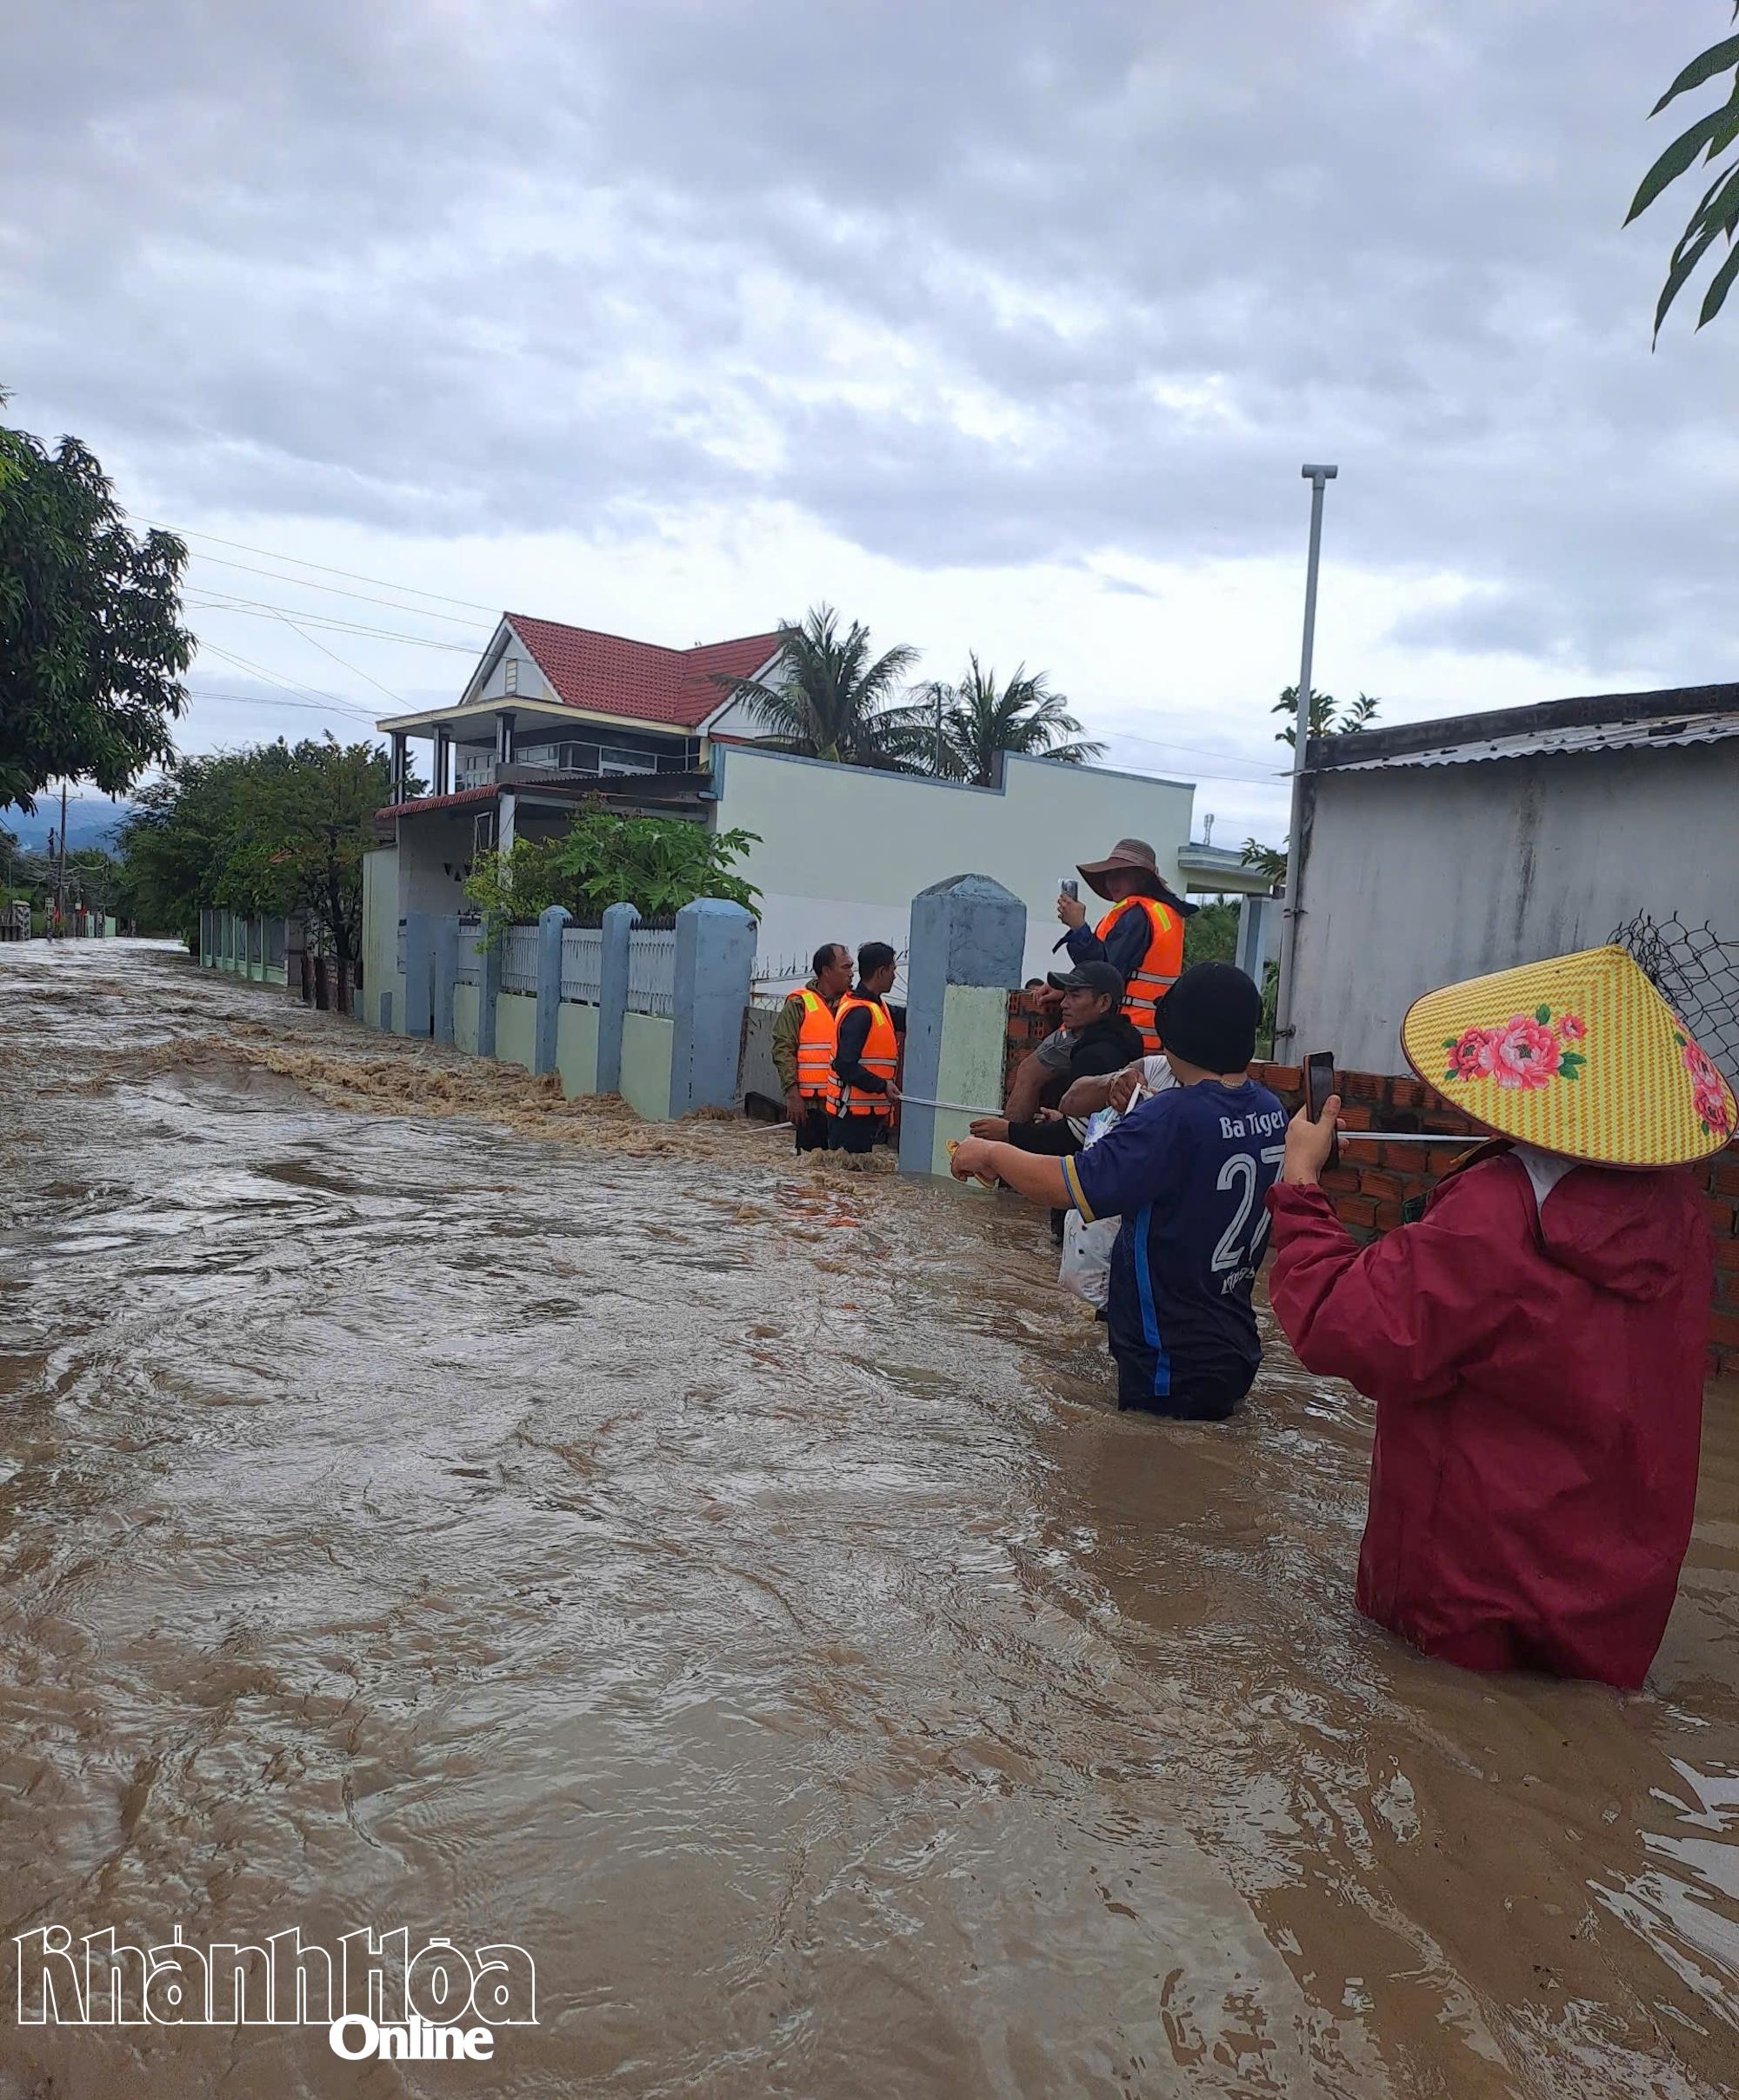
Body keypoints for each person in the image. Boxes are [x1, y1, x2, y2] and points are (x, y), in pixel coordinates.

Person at [1266, 944, 1730, 1690]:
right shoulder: (1679, 1213)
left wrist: (1299, 1181)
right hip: (1608, 1601)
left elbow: (1334, 1319)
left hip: (1465, 1595)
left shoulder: (1496, 1212)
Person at [950, 962, 1286, 1418]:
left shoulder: (1171, 1116)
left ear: (1174, 1033)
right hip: (1233, 1343)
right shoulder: (1270, 1110)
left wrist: (989, 1154)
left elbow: (1069, 1185)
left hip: (1168, 1358)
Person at [969, 963, 1143, 1156]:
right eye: (1066, 994)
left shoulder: (1096, 1056)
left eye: (1075, 996)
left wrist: (1008, 1133)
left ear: (1103, 1003)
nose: (1063, 1004)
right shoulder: (1111, 1038)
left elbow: (1073, 1138)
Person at [1056, 837, 1196, 1057]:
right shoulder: (1162, 912)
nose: (1112, 881)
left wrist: (1079, 929)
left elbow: (1105, 974)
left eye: (1121, 873)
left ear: (1141, 878)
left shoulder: (1137, 915)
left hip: (1116, 1035)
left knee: (1030, 1072)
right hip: (1148, 1036)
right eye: (1110, 874)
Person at [771, 942, 853, 1152]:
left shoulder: (856, 1005)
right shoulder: (799, 1004)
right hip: (813, 1109)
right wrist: (793, 1095)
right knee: (810, 1174)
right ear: (826, 971)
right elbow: (783, 1049)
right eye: (845, 968)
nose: (851, 974)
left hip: (849, 1107)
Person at [829, 941, 903, 1156]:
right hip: (851, 1118)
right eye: (893, 970)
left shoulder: (878, 1006)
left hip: (867, 1116)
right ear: (881, 972)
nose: (895, 977)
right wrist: (883, 1086)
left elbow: (910, 1018)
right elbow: (844, 1065)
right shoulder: (860, 1013)